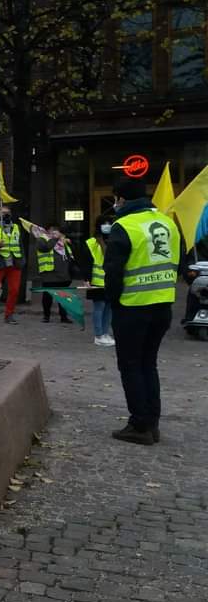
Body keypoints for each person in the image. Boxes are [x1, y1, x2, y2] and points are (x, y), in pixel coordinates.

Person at [103, 176, 183, 446]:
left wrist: (112, 302)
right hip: (163, 304)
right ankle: (152, 422)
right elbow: (179, 263)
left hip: (132, 306)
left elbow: (112, 272)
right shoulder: (168, 223)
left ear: (122, 199)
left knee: (131, 365)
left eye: (116, 199)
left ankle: (139, 425)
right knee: (149, 363)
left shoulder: (123, 225)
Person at [35, 224, 73, 324]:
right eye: (52, 230)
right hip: (49, 273)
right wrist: (54, 239)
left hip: (63, 273)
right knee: (48, 296)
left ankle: (64, 317)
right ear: (47, 231)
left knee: (63, 296)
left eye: (57, 230)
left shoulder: (63, 240)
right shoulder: (41, 239)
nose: (55, 232)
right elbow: (45, 248)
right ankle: (46, 316)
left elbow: (69, 255)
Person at [86, 216, 115, 346]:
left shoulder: (113, 240)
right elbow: (86, 262)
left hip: (110, 281)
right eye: (105, 223)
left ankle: (105, 333)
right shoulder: (92, 242)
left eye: (109, 223)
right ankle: (98, 335)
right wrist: (86, 279)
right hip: (97, 281)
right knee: (99, 308)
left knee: (109, 308)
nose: (107, 225)